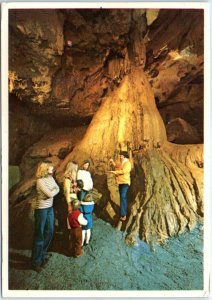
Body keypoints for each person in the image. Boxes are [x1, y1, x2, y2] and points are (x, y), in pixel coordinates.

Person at [31, 162, 60, 272]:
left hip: (49, 208)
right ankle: (35, 262)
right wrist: (53, 190)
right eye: (50, 168)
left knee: (50, 231)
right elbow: (51, 194)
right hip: (41, 209)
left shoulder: (50, 178)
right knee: (39, 235)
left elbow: (58, 188)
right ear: (44, 169)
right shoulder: (40, 181)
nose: (52, 170)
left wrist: (53, 190)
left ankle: (42, 255)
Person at [109, 151, 132, 221]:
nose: (120, 157)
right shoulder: (122, 163)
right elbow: (116, 166)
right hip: (120, 182)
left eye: (121, 156)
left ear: (124, 156)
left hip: (125, 182)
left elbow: (124, 171)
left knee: (123, 196)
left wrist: (115, 172)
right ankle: (123, 213)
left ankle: (124, 214)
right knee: (122, 197)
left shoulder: (127, 163)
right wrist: (112, 162)